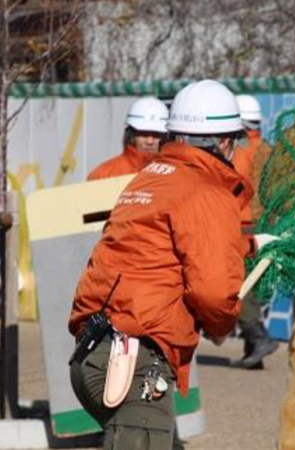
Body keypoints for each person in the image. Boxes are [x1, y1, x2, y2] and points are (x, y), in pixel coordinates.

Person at [68, 80, 274, 450]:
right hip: (133, 362)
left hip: (93, 354)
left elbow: (162, 251)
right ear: (225, 141)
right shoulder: (208, 190)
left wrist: (251, 244)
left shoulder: (150, 178)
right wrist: (223, 324)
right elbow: (212, 290)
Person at [230, 94, 279, 369]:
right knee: (253, 283)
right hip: (266, 227)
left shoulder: (238, 151)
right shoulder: (268, 150)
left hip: (241, 226)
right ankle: (253, 354)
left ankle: (258, 338)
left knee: (238, 287)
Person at [87, 96, 168, 181]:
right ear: (131, 134)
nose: (149, 141)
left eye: (157, 135)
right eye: (143, 133)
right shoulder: (103, 174)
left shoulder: (175, 175)